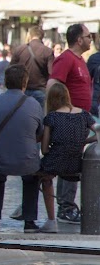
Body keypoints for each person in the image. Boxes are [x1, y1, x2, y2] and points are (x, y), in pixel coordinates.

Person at [0, 65, 44, 233]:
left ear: (5, 81)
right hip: (27, 161)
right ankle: (29, 220)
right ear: (25, 82)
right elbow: (39, 133)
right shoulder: (34, 104)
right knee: (31, 178)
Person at [47, 23, 92, 226]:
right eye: (88, 36)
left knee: (74, 158)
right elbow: (53, 84)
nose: (91, 39)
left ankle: (69, 205)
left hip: (79, 118)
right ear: (79, 39)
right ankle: (66, 207)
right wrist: (58, 115)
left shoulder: (80, 59)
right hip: (69, 119)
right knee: (69, 159)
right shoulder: (66, 58)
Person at [39, 82, 96, 234]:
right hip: (76, 163)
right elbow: (98, 133)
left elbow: (44, 150)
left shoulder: (51, 117)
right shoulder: (84, 114)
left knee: (44, 177)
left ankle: (51, 220)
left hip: (55, 163)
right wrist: (83, 141)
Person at [11, 26, 53, 107]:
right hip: (40, 89)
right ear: (42, 36)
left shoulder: (19, 50)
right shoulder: (47, 51)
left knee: (23, 116)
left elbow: (11, 70)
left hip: (22, 90)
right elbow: (51, 72)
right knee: (41, 117)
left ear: (30, 35)